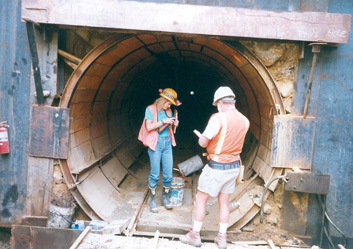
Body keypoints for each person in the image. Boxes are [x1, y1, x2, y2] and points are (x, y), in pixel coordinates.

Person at [179, 86, 249, 249]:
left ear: (220, 103)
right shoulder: (245, 120)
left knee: (201, 199)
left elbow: (203, 142)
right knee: (224, 202)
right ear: (233, 101)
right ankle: (222, 238)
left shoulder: (218, 118)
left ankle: (194, 235)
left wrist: (204, 139)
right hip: (233, 167)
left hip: (217, 167)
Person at [138, 88, 181, 213]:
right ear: (163, 100)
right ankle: (152, 200)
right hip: (155, 144)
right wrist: (163, 121)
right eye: (168, 103)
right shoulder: (150, 109)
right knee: (155, 174)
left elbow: (169, 126)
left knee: (168, 174)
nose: (169, 106)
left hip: (167, 143)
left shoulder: (168, 110)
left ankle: (165, 198)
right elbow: (149, 126)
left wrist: (174, 123)